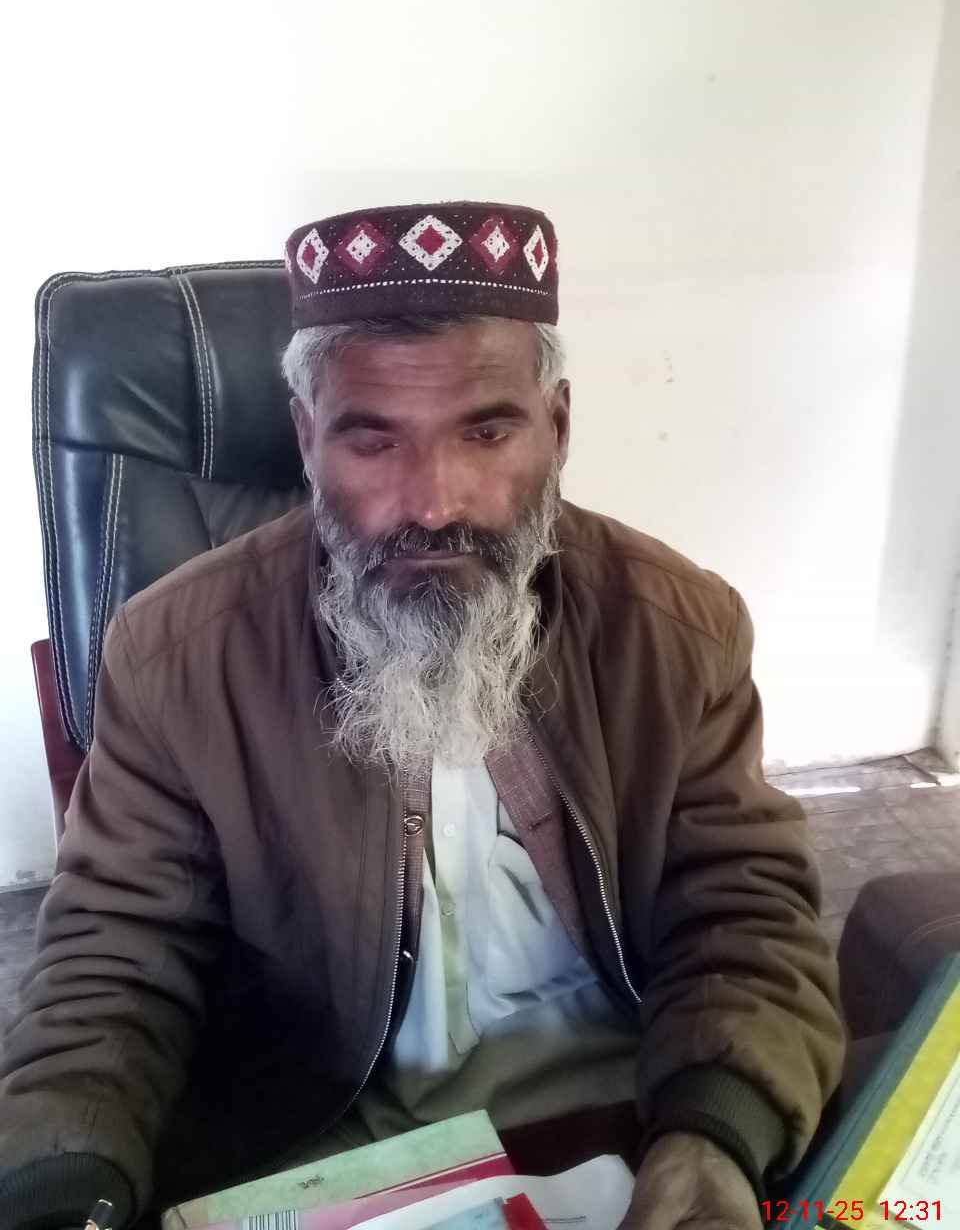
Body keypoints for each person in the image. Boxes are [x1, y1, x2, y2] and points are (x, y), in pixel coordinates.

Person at [0, 201, 844, 1230]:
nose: (435, 501)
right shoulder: (176, 654)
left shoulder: (677, 627)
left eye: (487, 431)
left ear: (557, 426)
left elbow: (745, 910)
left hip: (640, 1108)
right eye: (372, 439)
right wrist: (64, 1177)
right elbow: (114, 959)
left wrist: (714, 1134)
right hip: (326, 1139)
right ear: (308, 437)